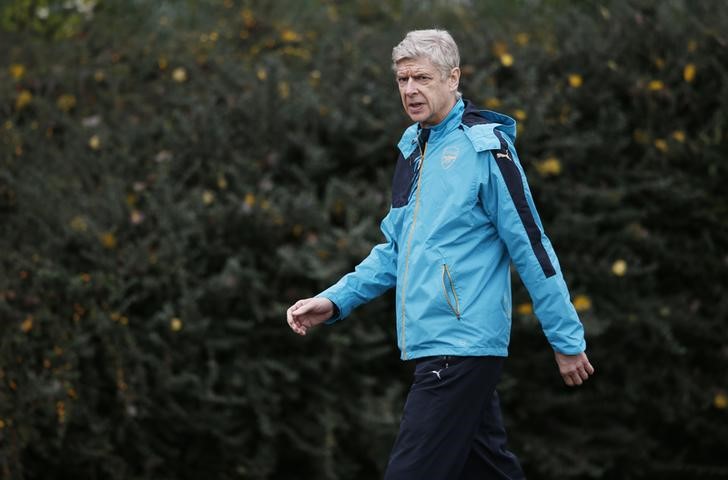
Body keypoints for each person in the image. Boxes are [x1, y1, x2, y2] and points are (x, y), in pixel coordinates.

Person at [286, 29, 594, 480]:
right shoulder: (412, 150)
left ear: (453, 78)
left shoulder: (486, 148)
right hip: (438, 343)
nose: (410, 90)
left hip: (461, 345)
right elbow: (395, 250)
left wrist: (565, 339)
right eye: (402, 79)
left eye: (422, 78)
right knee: (489, 468)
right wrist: (334, 300)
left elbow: (531, 245)